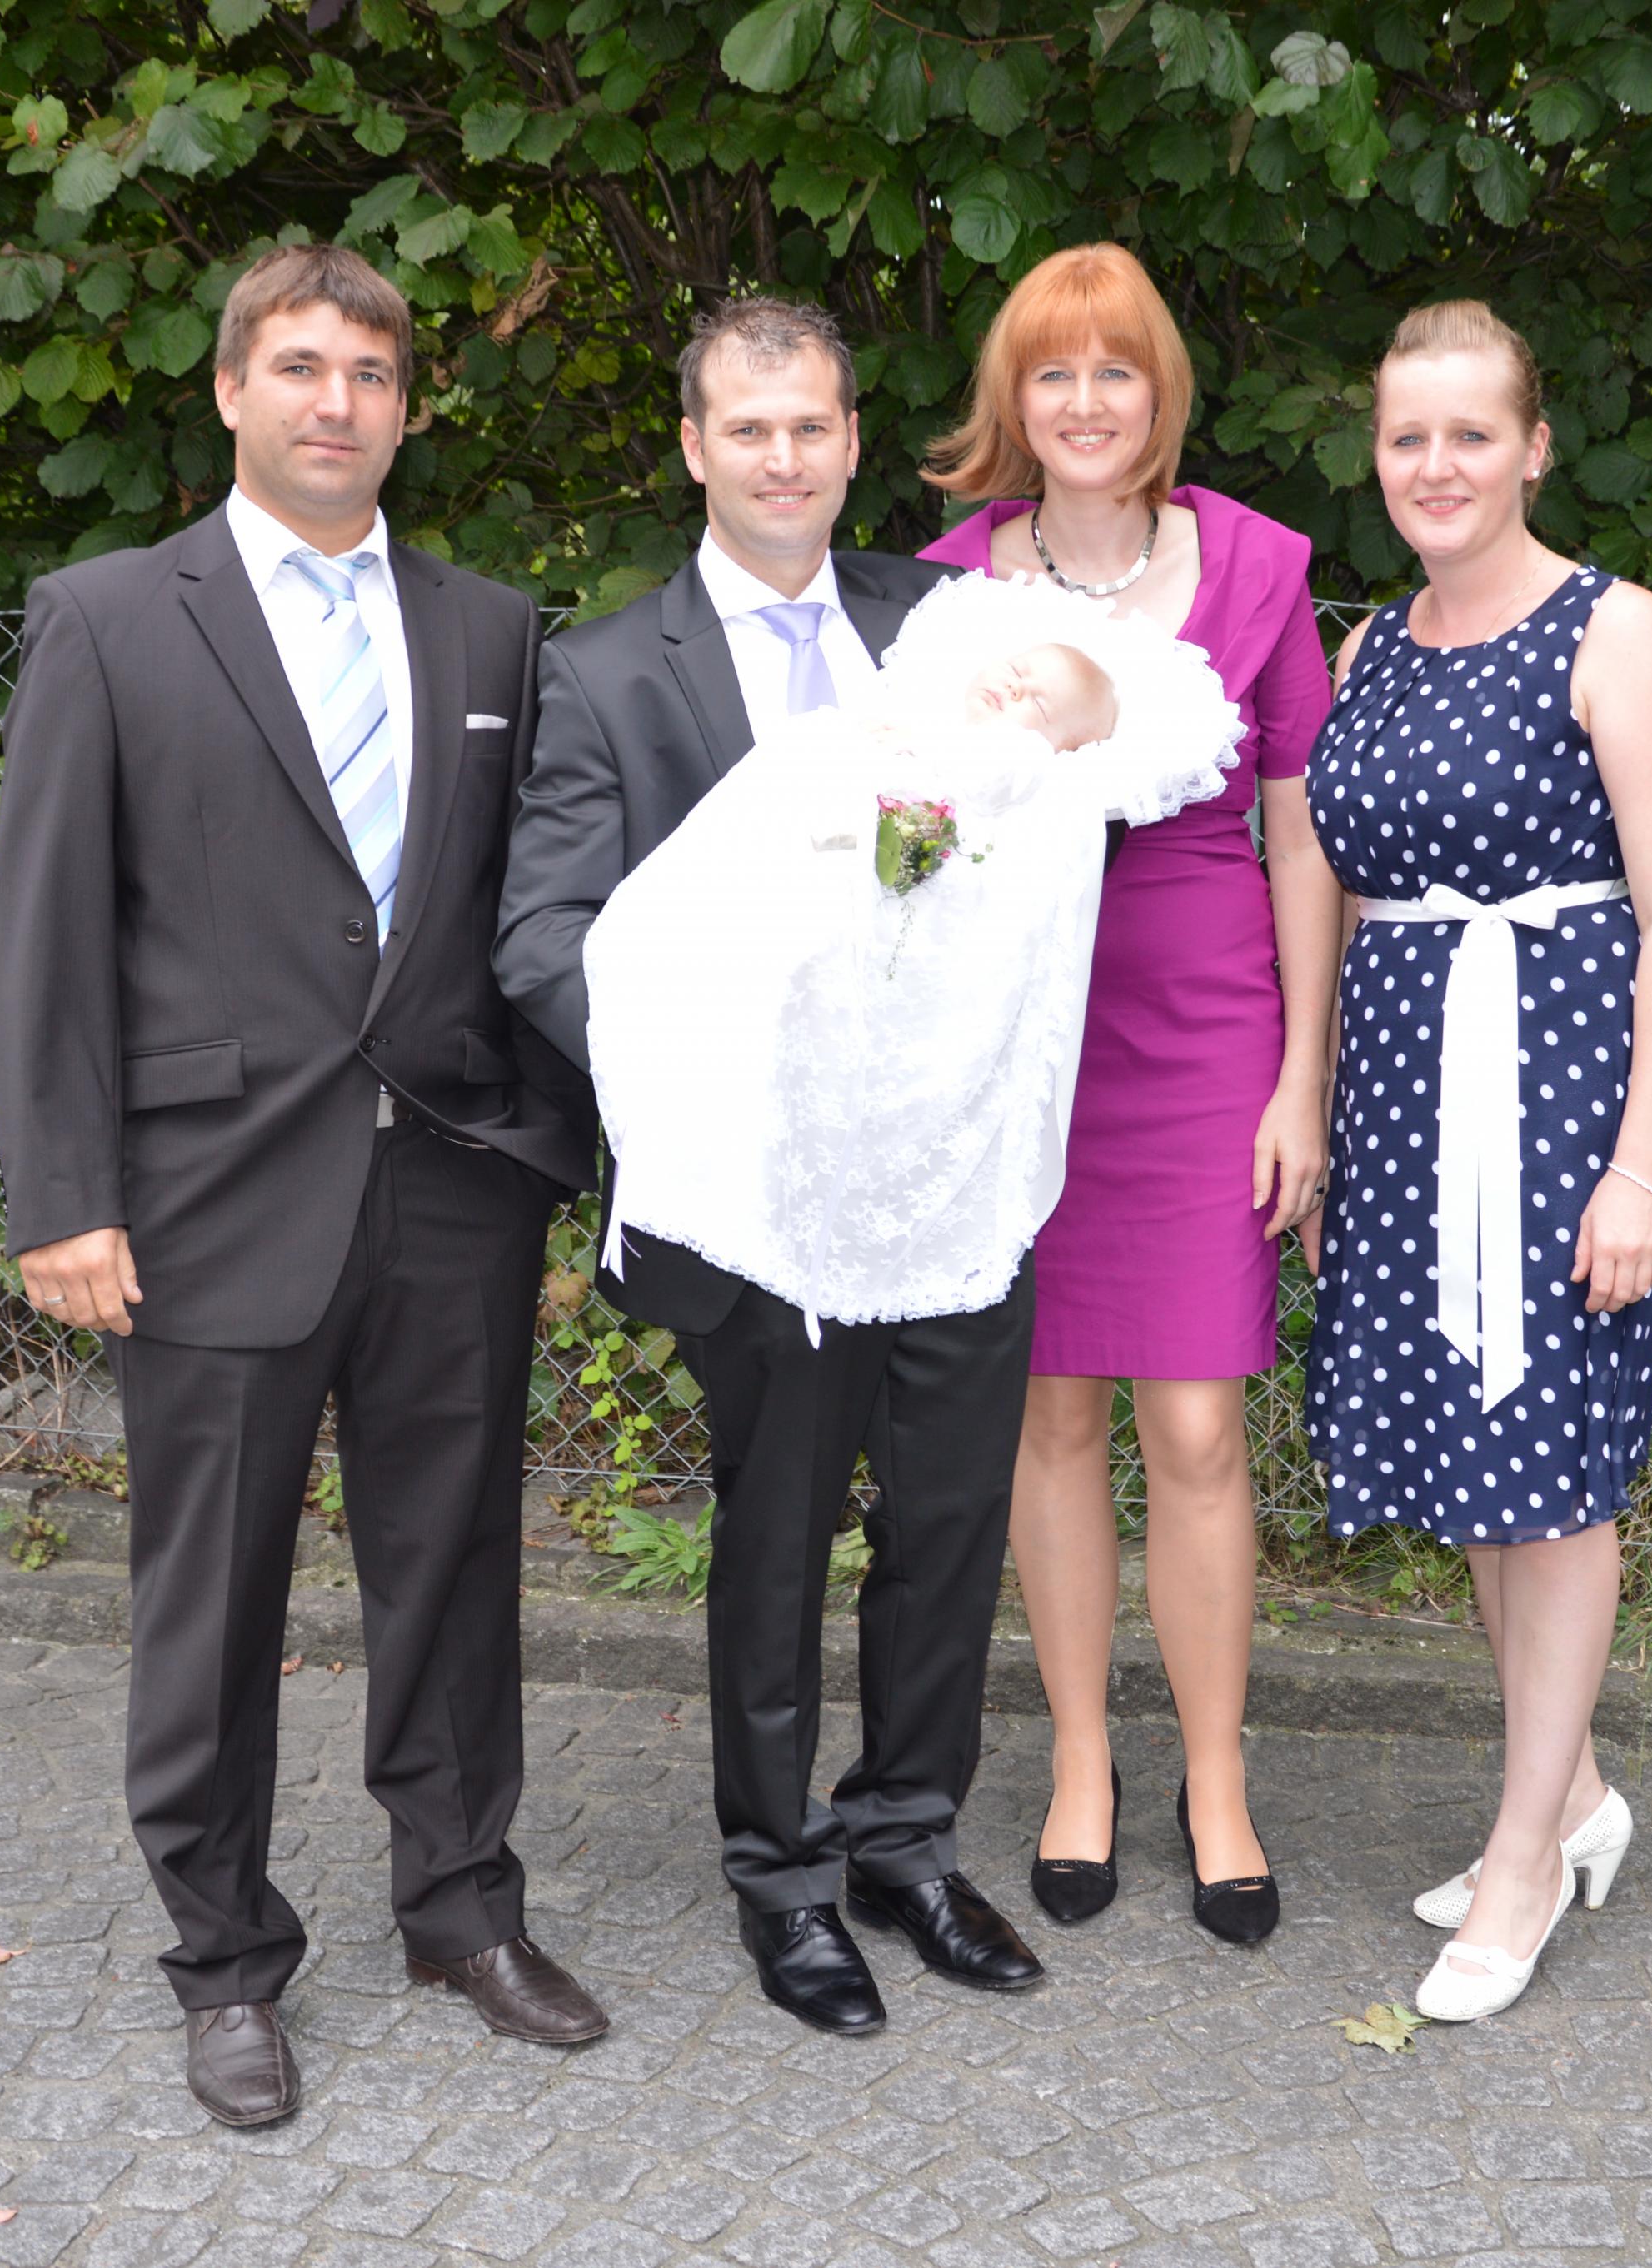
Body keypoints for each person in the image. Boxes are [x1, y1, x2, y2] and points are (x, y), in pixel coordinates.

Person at [0, 246, 611, 2126]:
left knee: (456, 1573)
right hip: (204, 1197)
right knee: (210, 1598)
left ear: (408, 408)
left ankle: (462, 1908)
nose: (336, 400)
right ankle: (226, 1959)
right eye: (300, 365)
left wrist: (549, 1145)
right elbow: (48, 929)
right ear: (230, 391)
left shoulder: (491, 631)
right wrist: (62, 1194)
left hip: (452, 1188)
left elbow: (527, 907)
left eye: (370, 373)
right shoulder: (111, 618)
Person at [496, 297, 1045, 2036]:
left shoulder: (939, 625)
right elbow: (545, 939)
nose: (783, 456)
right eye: (749, 427)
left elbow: (1032, 834)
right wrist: (713, 1084)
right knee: (782, 1530)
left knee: (949, 1519)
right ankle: (782, 1872)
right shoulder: (602, 671)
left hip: (947, 1177)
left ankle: (907, 1838)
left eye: (810, 424)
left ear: (852, 439)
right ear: (694, 447)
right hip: (758, 1198)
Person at [916, 242, 1341, 1946]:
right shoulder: (947, 585)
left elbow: (1301, 829)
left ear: (1159, 391)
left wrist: (1303, 1073)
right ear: (1010, 401)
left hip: (1204, 1020)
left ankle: (1216, 1773)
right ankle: (1082, 1757)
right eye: (1051, 372)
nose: (1084, 402)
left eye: (1114, 370)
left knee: (1196, 1425)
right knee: (1049, 1414)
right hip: (1022, 1032)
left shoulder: (1255, 565)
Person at [1303, 301, 1652, 2023]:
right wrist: (1324, 1118)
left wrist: (1640, 1168)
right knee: (1472, 1456)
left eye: (1469, 432)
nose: (1436, 464)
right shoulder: (1369, 647)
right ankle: (1579, 1790)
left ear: (1533, 447)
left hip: (1558, 1100)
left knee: (1549, 1474)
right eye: (1408, 436)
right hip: (1407, 1102)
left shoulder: (1614, 631)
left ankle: (1523, 1852)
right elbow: (1341, 899)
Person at [583, 576, 1244, 1341]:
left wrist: (919, 759)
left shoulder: (1025, 783)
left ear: (1066, 750)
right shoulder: (901, 713)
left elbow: (992, 785)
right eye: (1017, 667)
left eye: (1038, 703)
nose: (1014, 686)